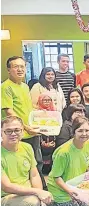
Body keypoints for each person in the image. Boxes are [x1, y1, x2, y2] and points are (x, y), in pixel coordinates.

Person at [1, 116, 56, 206]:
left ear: (22, 131)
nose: (13, 134)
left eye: (17, 130)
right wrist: (36, 194)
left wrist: (41, 200)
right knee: (31, 202)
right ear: (1, 132)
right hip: (5, 199)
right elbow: (6, 186)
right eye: (8, 131)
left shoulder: (27, 147)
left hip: (27, 197)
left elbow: (34, 175)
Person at [1, 56, 46, 189]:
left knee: (37, 162)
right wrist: (25, 128)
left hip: (32, 131)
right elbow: (9, 111)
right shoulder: (5, 87)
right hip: (19, 133)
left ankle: (41, 189)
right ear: (9, 70)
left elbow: (26, 108)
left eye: (22, 66)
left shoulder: (25, 86)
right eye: (16, 67)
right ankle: (29, 192)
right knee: (24, 164)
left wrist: (40, 113)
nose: (20, 69)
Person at [47, 117, 89, 206]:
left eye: (87, 130)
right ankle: (51, 203)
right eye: (80, 131)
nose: (84, 134)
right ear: (73, 132)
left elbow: (88, 166)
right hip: (59, 188)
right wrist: (69, 191)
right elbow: (56, 177)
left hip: (75, 186)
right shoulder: (64, 152)